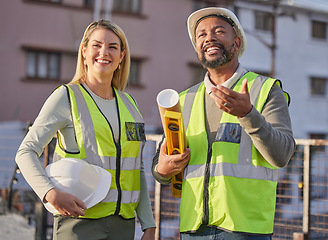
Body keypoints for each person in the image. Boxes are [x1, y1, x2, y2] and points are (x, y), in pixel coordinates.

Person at [152, 7, 295, 240]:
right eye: (201, 34)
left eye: (219, 31)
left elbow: (282, 155)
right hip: (193, 229)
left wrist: (248, 113)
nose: (209, 37)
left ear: (236, 43)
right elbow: (161, 165)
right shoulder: (182, 100)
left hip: (246, 230)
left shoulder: (266, 90)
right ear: (198, 47)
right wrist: (162, 170)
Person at [16, 19, 156, 240]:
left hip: (124, 226)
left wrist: (149, 224)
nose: (104, 52)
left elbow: (135, 169)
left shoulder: (130, 104)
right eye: (96, 45)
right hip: (79, 224)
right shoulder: (66, 97)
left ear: (122, 56)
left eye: (113, 47)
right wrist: (50, 194)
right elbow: (25, 152)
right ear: (84, 51)